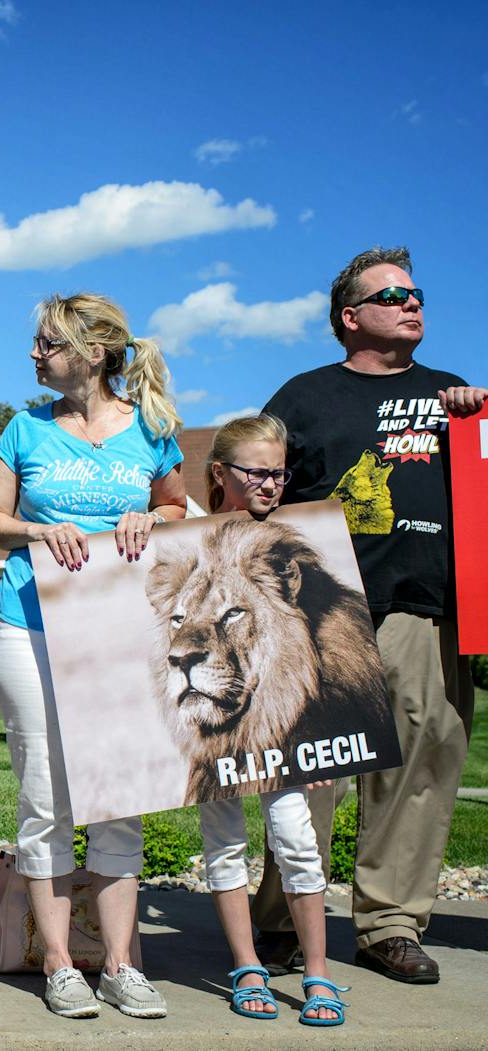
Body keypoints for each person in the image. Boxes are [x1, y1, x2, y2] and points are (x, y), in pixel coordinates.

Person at [255, 247, 485, 984]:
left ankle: (390, 922)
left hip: (427, 611)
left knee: (421, 761)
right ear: (350, 318)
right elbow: (251, 489)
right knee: (310, 771)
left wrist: (478, 423)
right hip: (327, 609)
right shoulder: (302, 397)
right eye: (391, 295)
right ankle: (289, 919)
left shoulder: (455, 395)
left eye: (417, 293)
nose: (411, 303)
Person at [0, 292, 186, 1020]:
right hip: (30, 628)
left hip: (123, 633)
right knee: (47, 796)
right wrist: (36, 529)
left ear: (93, 354)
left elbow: (182, 510)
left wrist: (151, 513)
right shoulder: (23, 428)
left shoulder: (151, 428)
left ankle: (122, 964)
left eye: (48, 344)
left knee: (119, 797)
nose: (35, 354)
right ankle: (60, 961)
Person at [195, 413, 346, 1026]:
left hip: (283, 729)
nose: (270, 484)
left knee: (298, 843)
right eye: (256, 472)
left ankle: (318, 972)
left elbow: (325, 650)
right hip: (213, 728)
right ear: (220, 472)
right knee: (223, 846)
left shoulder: (302, 538)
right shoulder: (184, 533)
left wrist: (320, 738)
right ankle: (245, 964)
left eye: (279, 473)